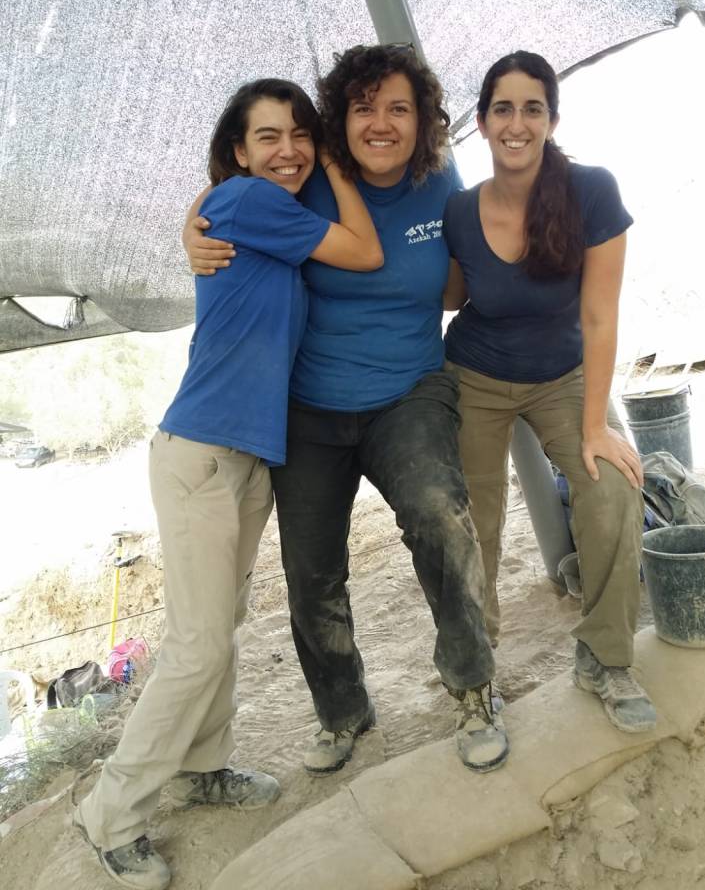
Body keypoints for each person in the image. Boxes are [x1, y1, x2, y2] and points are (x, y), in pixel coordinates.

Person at [74, 78, 383, 890]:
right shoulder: (249, 200)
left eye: (300, 134)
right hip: (202, 453)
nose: (289, 149)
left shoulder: (256, 210)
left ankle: (202, 768)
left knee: (220, 623)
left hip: (242, 457)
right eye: (268, 136)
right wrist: (334, 166)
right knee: (198, 642)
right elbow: (364, 251)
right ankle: (110, 816)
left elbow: (222, 211)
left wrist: (200, 212)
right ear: (239, 152)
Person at [185, 44, 508, 778]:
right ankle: (342, 711)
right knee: (311, 571)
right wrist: (191, 228)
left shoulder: (441, 181)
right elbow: (233, 186)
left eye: (399, 108)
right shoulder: (307, 183)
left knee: (439, 516)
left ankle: (472, 689)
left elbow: (470, 268)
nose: (381, 124)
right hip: (308, 403)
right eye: (364, 108)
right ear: (340, 119)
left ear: (423, 121)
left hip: (409, 389)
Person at [442, 50, 656, 734]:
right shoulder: (459, 210)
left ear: (552, 120)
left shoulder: (591, 192)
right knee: (468, 522)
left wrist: (595, 429)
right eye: (502, 108)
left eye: (532, 108)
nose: (517, 123)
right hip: (475, 375)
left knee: (612, 484)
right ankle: (476, 680)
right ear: (481, 123)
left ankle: (604, 657)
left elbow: (600, 318)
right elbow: (451, 297)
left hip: (564, 376)